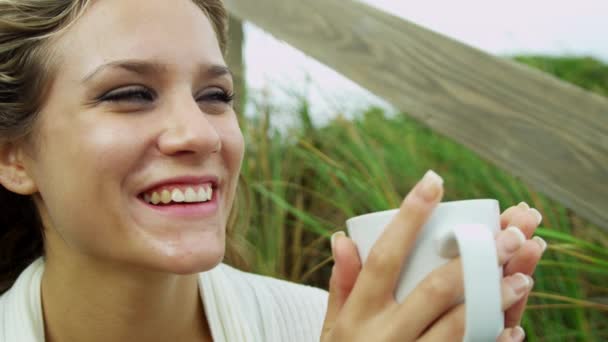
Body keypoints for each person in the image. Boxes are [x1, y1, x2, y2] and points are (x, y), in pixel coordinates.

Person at [0, 0, 546, 341]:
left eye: (215, 95)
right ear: (12, 155)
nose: (201, 133)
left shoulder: (320, 330)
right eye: (130, 94)